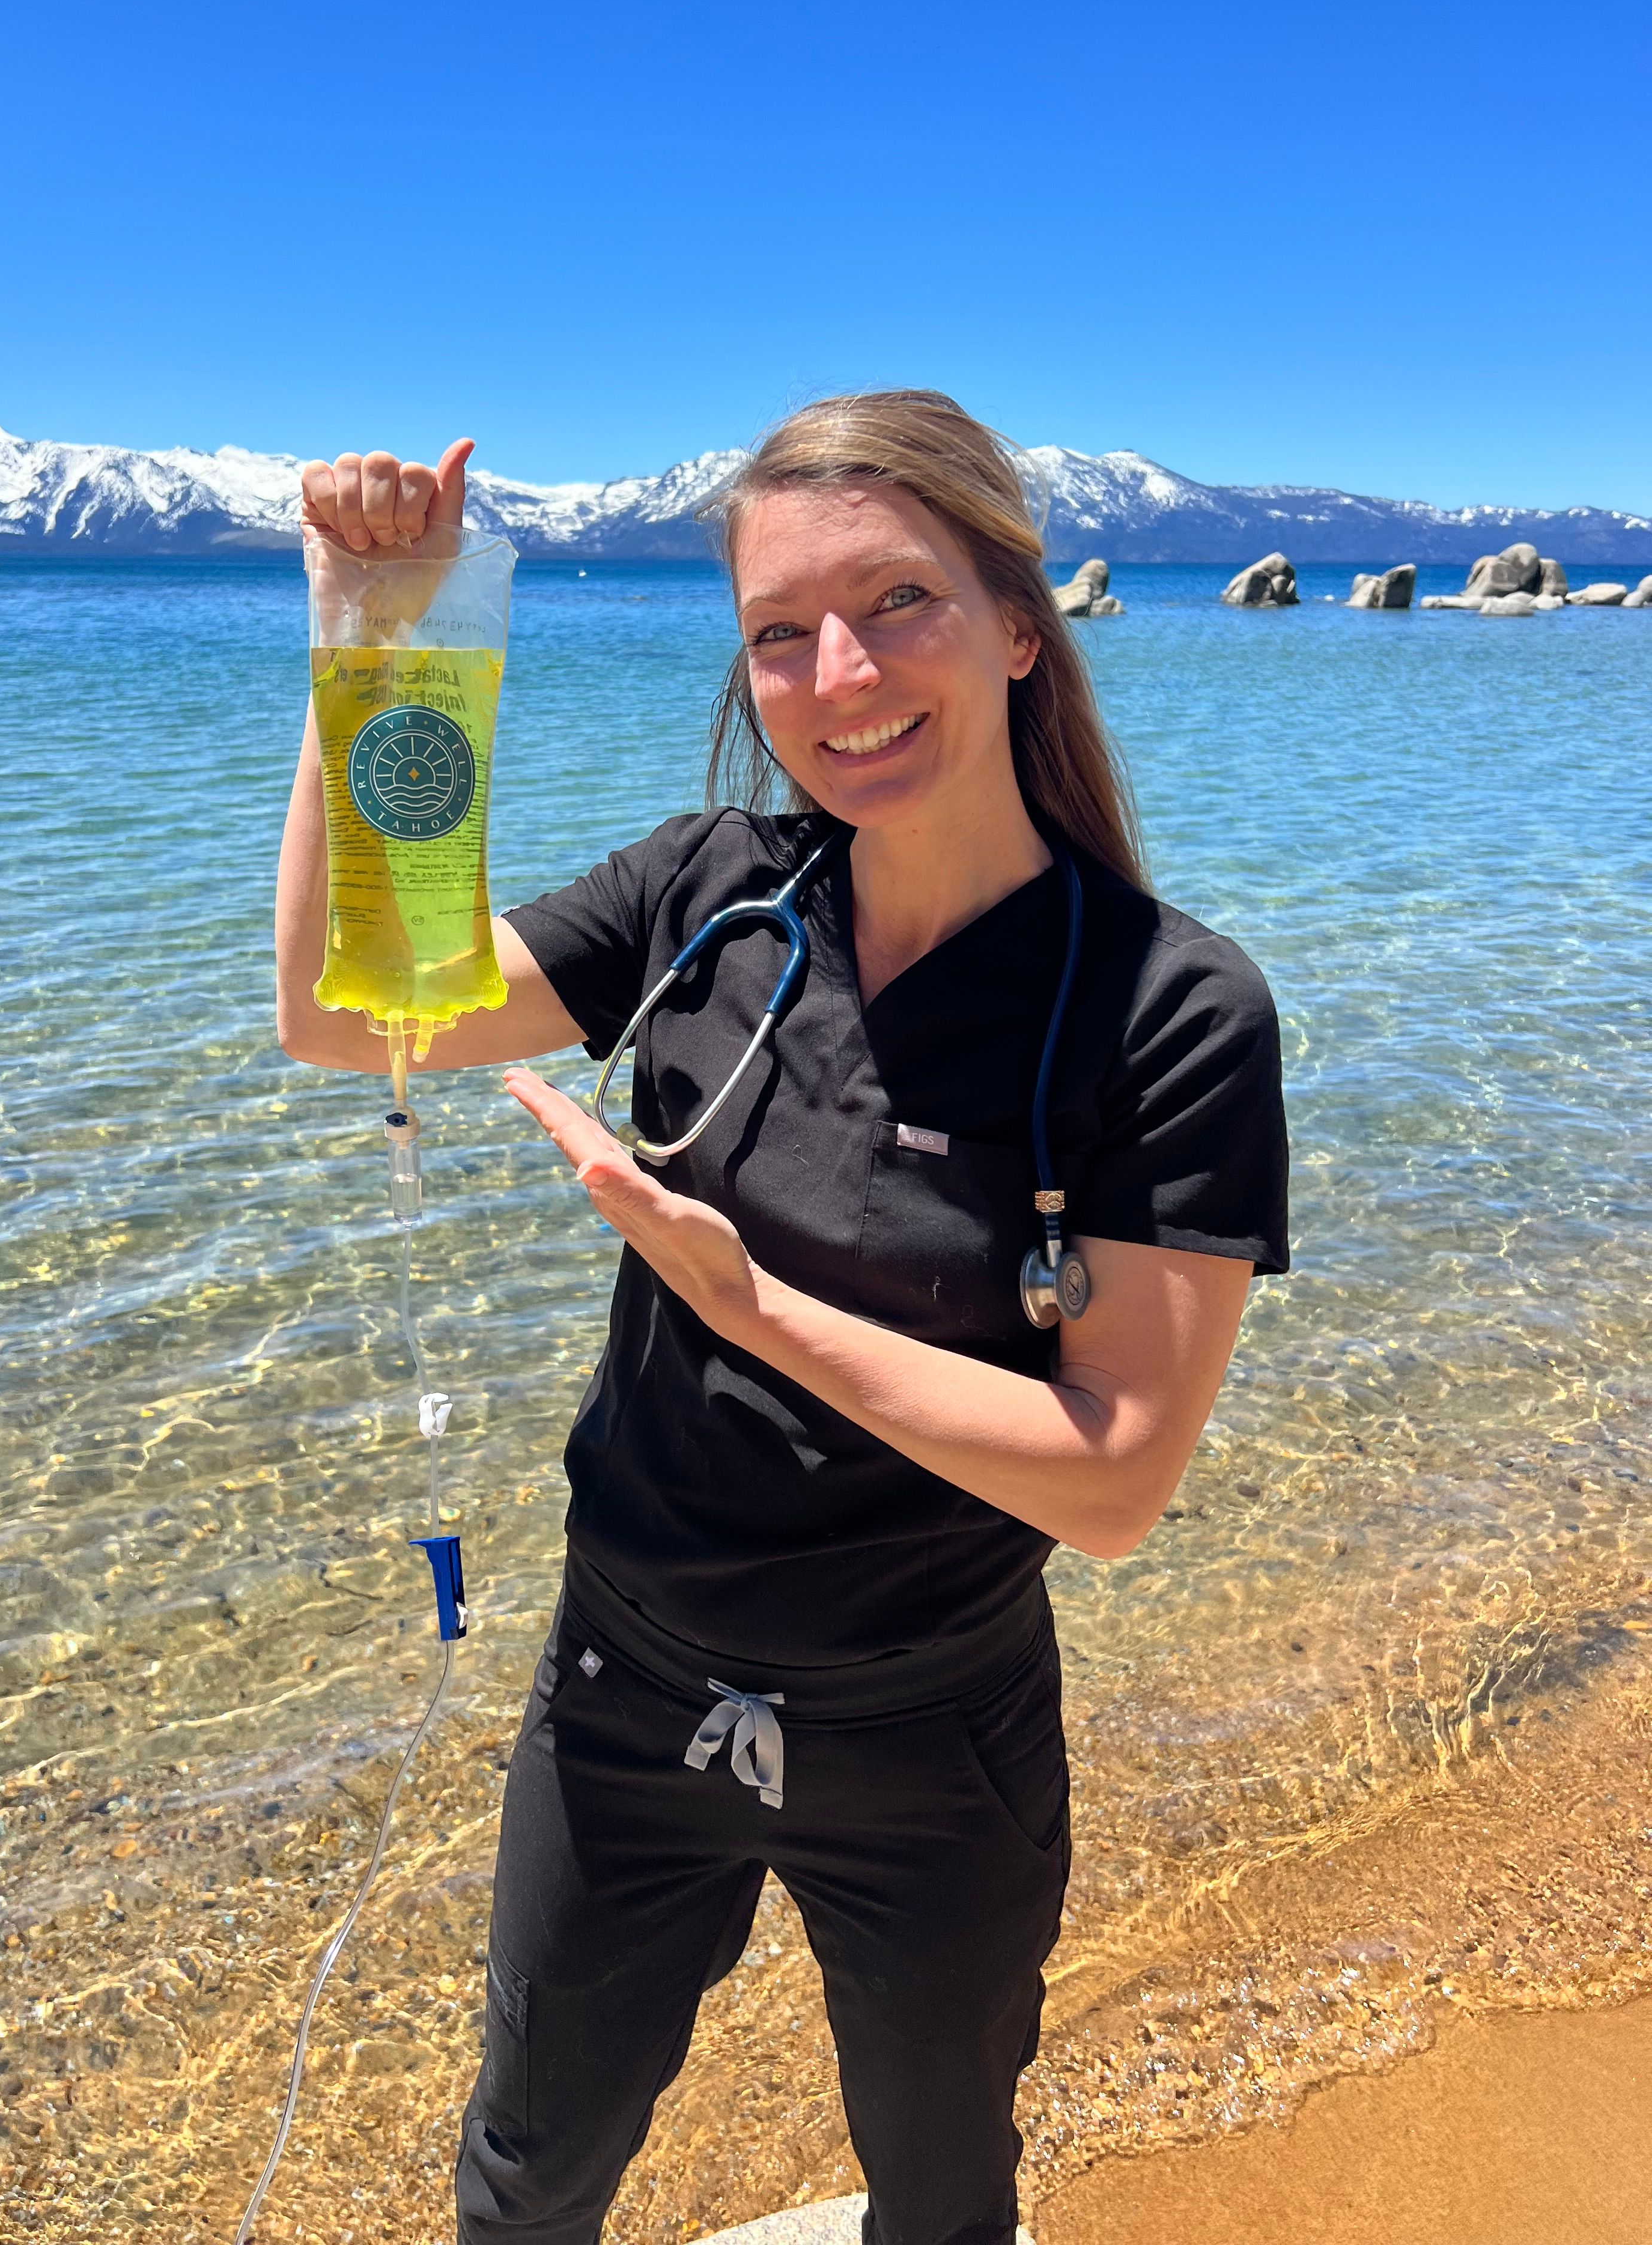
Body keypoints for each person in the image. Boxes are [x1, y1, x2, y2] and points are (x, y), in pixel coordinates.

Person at [275, 391, 1289, 2245]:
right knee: (526, 2181)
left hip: (934, 1734)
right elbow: (363, 1014)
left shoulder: (1166, 1010)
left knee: (939, 2199)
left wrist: (753, 1312)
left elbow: (1117, 1481)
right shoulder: (707, 897)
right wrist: (370, 636)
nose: (837, 674)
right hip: (622, 1691)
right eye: (777, 631)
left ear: (1015, 622)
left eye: (897, 602)